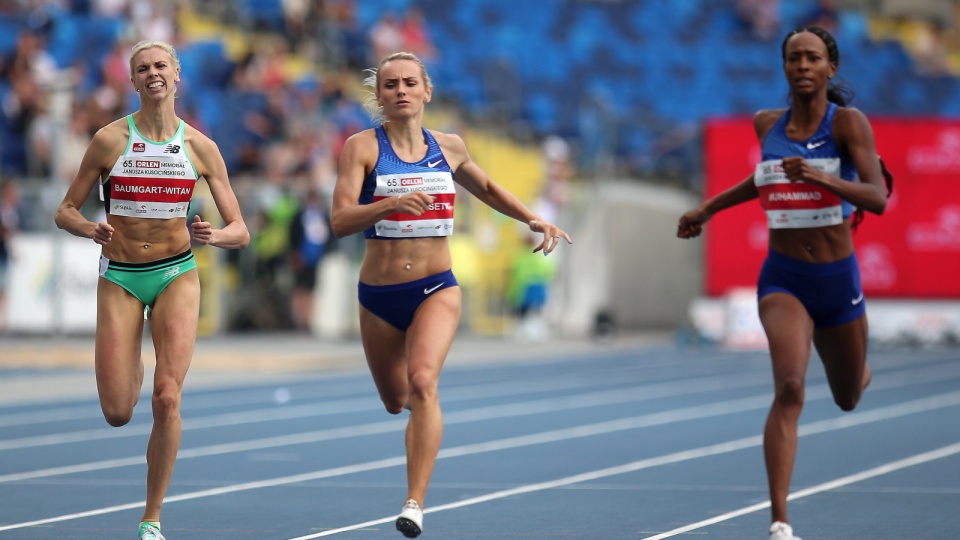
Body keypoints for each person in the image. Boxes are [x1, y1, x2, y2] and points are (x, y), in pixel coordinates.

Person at [331, 51, 571, 538]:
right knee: (396, 399)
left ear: (427, 91)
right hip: (378, 295)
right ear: (379, 96)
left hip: (436, 287)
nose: (401, 90)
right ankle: (411, 452)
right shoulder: (361, 148)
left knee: (423, 383)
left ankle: (414, 502)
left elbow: (487, 188)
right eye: (391, 84)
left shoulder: (450, 147)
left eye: (410, 82)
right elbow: (338, 222)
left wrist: (532, 218)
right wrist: (390, 204)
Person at [677, 26, 892, 540]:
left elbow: (878, 196)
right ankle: (779, 519)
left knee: (846, 397)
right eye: (793, 58)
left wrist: (822, 178)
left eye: (812, 58)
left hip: (838, 279)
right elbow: (763, 179)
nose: (802, 66)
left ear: (830, 68)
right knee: (790, 388)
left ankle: (857, 369)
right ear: (784, 67)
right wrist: (707, 208)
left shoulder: (849, 125)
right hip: (785, 278)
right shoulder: (766, 125)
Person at [53, 40, 250, 540]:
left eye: (161, 65)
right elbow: (65, 210)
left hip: (176, 273)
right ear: (134, 81)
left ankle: (152, 517)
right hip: (120, 278)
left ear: (176, 75)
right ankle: (133, 355)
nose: (153, 73)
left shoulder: (200, 147)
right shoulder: (109, 141)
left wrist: (215, 236)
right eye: (143, 68)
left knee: (167, 398)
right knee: (119, 411)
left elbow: (240, 229)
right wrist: (88, 229)